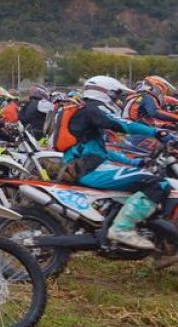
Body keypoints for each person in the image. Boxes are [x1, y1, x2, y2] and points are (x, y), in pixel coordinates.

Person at [62, 76, 172, 250]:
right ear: (105, 92)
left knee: (143, 177)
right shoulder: (93, 109)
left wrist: (136, 162)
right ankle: (122, 229)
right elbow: (122, 124)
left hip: (86, 165)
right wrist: (157, 132)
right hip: (88, 169)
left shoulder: (87, 112)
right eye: (116, 94)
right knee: (158, 184)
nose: (117, 99)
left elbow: (102, 152)